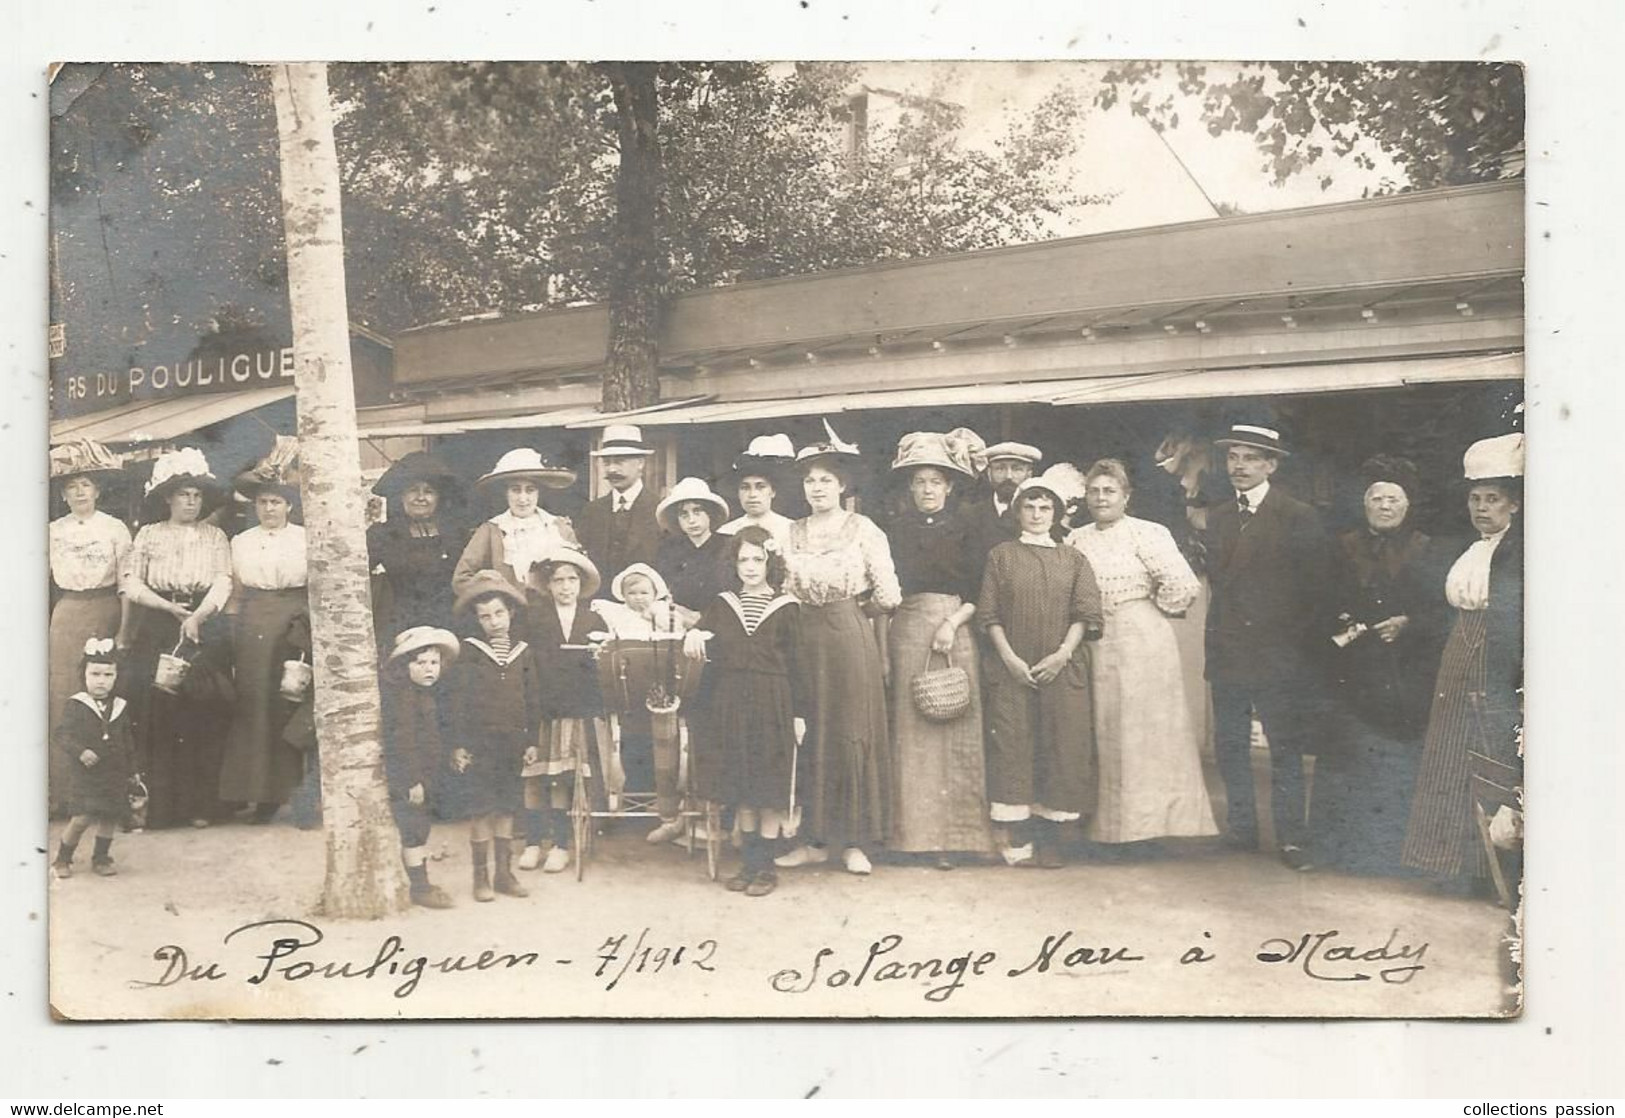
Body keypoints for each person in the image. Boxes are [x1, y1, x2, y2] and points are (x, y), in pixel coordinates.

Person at [1066, 458, 1218, 849]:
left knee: (1145, 733)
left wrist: (1144, 605)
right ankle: (1107, 829)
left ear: (1126, 496)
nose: (1101, 498)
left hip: (1142, 640)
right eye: (1094, 491)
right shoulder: (1075, 538)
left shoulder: (1147, 533)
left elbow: (1183, 585)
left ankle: (1151, 829)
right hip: (1094, 641)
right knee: (1102, 728)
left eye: (1109, 491)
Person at [776, 422, 902, 876]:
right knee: (810, 733)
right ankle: (812, 839)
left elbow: (888, 593)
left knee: (850, 732)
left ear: (843, 484)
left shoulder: (863, 528)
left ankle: (854, 842)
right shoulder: (791, 532)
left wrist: (851, 609)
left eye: (826, 479)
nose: (817, 488)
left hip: (849, 635)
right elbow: (784, 587)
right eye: (810, 480)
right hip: (803, 638)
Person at [1309, 455, 1445, 875]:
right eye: (1377, 498)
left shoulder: (1427, 549)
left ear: (1407, 507)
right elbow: (1319, 602)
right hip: (1353, 670)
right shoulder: (1341, 547)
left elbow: (1441, 611)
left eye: (1394, 500)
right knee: (1346, 756)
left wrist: (1408, 624)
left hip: (1405, 672)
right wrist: (1344, 621)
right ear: (1364, 504)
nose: (1385, 506)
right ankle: (1336, 852)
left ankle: (1391, 856)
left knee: (1396, 759)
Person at [1204, 422, 1331, 871]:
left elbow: (1315, 591)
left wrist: (1291, 647)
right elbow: (1221, 586)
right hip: (1229, 652)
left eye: (1251, 458)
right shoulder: (1217, 516)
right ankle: (1242, 829)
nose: (1239, 466)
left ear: (1271, 465)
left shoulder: (1297, 515)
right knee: (1230, 745)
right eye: (1233, 457)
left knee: (1284, 748)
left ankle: (1292, 838)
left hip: (1277, 654)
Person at [1402, 434, 1524, 893]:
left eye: (1493, 499)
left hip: (1493, 654)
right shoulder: (1473, 547)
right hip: (1459, 650)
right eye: (1475, 499)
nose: (1482, 508)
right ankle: (1445, 862)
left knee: (1486, 754)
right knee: (1448, 752)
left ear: (1513, 506)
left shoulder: (1518, 551)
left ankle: (1483, 870)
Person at [978, 468, 1104, 868]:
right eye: (1029, 506)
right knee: (1014, 744)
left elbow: (1085, 613)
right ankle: (1019, 836)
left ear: (1057, 512)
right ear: (1017, 512)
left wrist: (1062, 654)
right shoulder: (1001, 556)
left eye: (1044, 507)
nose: (1036, 514)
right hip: (1012, 667)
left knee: (1060, 744)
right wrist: (1010, 659)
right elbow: (989, 614)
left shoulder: (1074, 558)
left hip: (1061, 668)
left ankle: (1053, 837)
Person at [883, 430, 995, 866]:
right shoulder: (894, 528)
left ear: (949, 486)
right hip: (907, 629)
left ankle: (956, 838)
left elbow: (981, 588)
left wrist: (952, 621)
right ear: (909, 486)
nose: (927, 489)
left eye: (935, 481)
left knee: (954, 726)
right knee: (910, 733)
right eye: (919, 482)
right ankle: (912, 837)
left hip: (955, 628)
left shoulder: (969, 525)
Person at [686, 526, 806, 896]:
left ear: (770, 562)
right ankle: (749, 863)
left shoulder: (787, 607)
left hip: (773, 699)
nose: (750, 567)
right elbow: (704, 636)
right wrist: (693, 634)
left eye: (758, 559)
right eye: (743, 560)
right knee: (740, 781)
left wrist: (799, 714)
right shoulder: (723, 604)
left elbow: (799, 665)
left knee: (767, 782)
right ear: (733, 563)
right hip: (732, 699)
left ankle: (766, 867)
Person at [121, 448, 235, 830]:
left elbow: (223, 580)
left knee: (203, 711)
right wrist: (169, 609)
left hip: (204, 625)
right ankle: (161, 807)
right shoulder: (149, 535)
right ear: (168, 498)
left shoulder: (215, 536)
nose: (191, 501)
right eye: (184, 494)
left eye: (197, 495)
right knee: (158, 713)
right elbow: (131, 582)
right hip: (159, 624)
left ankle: (201, 804)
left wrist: (199, 615)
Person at [218, 451, 309, 824]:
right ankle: (250, 791)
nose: (269, 509)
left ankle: (285, 794)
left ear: (288, 506)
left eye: (276, 502)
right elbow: (236, 592)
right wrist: (232, 631)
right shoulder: (241, 541)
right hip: (252, 622)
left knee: (285, 703)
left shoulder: (305, 539)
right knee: (251, 705)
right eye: (263, 502)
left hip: (293, 620)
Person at [47, 440, 132, 818]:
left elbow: (127, 582)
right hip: (67, 612)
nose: (80, 492)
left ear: (97, 490)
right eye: (72, 487)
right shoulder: (52, 531)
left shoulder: (115, 528)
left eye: (86, 485)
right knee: (65, 697)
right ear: (63, 494)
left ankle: (112, 797)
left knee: (108, 698)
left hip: (105, 610)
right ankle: (64, 795)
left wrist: (124, 630)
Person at [443, 570, 538, 902]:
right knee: (482, 808)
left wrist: (532, 741)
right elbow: (457, 701)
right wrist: (458, 743)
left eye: (499, 613)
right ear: (476, 620)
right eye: (485, 616)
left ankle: (504, 874)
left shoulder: (523, 652)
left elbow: (532, 698)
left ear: (510, 612)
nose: (494, 621)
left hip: (512, 741)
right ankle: (480, 877)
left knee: (508, 808)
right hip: (479, 743)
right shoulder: (469, 652)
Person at [589, 562, 688, 845]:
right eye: (631, 592)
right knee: (627, 741)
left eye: (644, 592)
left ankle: (667, 802)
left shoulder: (665, 615)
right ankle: (622, 797)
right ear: (623, 595)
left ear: (655, 593)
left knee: (666, 744)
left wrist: (657, 620)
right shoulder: (617, 616)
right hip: (628, 689)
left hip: (661, 687)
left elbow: (676, 642)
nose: (638, 598)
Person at [527, 545, 608, 874]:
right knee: (534, 776)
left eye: (571, 579)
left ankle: (561, 843)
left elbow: (603, 666)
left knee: (564, 778)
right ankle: (534, 841)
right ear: (548, 585)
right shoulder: (535, 618)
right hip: (543, 706)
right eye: (558, 580)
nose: (565, 586)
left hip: (576, 708)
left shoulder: (593, 618)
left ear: (581, 583)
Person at [452, 448, 579, 634]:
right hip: (509, 624)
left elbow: (579, 574)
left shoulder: (558, 527)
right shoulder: (492, 529)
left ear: (539, 492)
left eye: (530, 490)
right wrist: (491, 587)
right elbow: (461, 580)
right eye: (515, 490)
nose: (523, 498)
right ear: (505, 493)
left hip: (556, 620)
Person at [381, 626, 461, 908]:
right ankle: (420, 886)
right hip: (409, 776)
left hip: (426, 772)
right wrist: (411, 780)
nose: (429, 669)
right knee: (413, 828)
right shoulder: (403, 698)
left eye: (434, 663)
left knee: (420, 825)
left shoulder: (426, 694)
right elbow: (401, 742)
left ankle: (418, 880)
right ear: (405, 666)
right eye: (421, 662)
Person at [51, 639, 135, 879]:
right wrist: (81, 751)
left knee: (109, 815)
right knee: (82, 817)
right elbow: (62, 734)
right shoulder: (77, 705)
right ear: (84, 675)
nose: (101, 680)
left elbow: (128, 740)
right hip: (87, 773)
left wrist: (133, 769)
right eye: (95, 674)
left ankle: (101, 857)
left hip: (114, 772)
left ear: (116, 677)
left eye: (108, 674)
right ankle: (62, 859)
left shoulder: (120, 706)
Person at [369, 452, 471, 636]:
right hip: (401, 624)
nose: (421, 497)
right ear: (401, 496)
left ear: (439, 498)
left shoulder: (456, 534)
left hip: (449, 622)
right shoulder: (383, 534)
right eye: (413, 490)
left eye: (429, 491)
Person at [574, 424, 661, 589]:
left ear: (640, 463)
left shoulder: (659, 511)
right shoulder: (592, 511)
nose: (612, 469)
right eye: (607, 462)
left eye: (620, 461)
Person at [653, 476, 732, 627]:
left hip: (722, 624)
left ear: (710, 513)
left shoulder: (729, 546)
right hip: (678, 624)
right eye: (684, 514)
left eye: (697, 511)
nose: (691, 520)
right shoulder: (669, 550)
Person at [717, 434, 797, 546]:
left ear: (772, 491)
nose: (752, 494)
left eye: (760, 487)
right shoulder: (726, 532)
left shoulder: (792, 529)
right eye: (745, 488)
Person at [968, 442, 1041, 557]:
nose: (1008, 476)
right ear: (989, 474)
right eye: (1000, 468)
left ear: (1029, 475)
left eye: (1017, 469)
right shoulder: (970, 516)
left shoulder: (1041, 518)